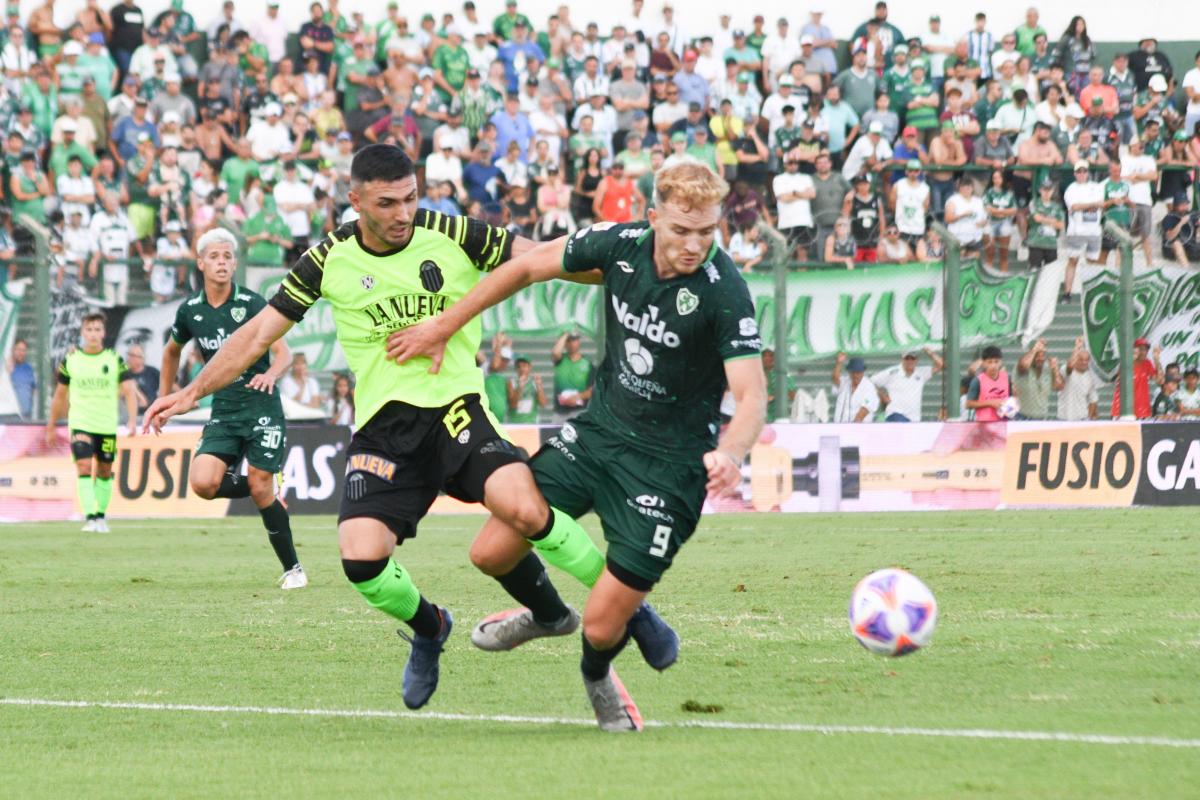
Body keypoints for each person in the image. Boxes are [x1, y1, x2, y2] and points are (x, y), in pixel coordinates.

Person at [144, 145, 673, 714]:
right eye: (387, 202)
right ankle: (430, 626)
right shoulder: (327, 259)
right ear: (355, 202)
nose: (403, 213)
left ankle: (630, 606)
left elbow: (542, 258)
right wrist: (190, 392)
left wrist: (646, 264)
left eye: (411, 198)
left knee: (522, 507)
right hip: (383, 427)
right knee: (360, 559)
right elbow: (254, 336)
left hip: (457, 407)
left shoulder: (453, 231)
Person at [383, 161, 766, 732]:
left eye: (707, 232)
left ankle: (597, 678)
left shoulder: (723, 291)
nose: (694, 245)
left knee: (603, 627)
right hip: (598, 434)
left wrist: (731, 453)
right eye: (682, 230)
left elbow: (752, 393)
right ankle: (546, 615)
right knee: (490, 552)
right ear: (654, 216)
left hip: (670, 469)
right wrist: (443, 324)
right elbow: (527, 265)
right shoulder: (619, 245)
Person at [45, 313, 138, 532]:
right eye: (89, 330)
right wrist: (51, 424)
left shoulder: (114, 359)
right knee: (84, 465)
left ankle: (100, 515)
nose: (93, 334)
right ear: (82, 333)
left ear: (103, 333)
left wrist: (133, 420)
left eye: (97, 330)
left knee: (104, 470)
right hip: (81, 423)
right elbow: (59, 395)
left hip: (106, 425)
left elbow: (129, 391)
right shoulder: (71, 360)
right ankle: (90, 517)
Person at [1062, 161, 1104, 302]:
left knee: (1092, 262)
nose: (1081, 174)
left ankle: (1090, 296)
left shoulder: (1096, 187)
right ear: (1075, 174)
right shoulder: (1071, 189)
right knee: (1073, 260)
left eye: (1084, 171)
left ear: (1088, 173)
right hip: (1076, 230)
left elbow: (1100, 204)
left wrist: (1087, 206)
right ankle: (1067, 293)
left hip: (1093, 230)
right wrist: (1092, 204)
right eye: (1079, 171)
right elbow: (1074, 206)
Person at [871, 348, 943, 422]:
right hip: (895, 414)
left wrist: (928, 351)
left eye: (913, 358)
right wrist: (883, 396)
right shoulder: (892, 372)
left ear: (917, 360)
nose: (910, 361)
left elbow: (940, 364)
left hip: (914, 418)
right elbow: (871, 381)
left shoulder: (921, 373)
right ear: (902, 359)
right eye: (907, 358)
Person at [1110, 337, 1161, 419]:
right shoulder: (1126, 363)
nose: (1144, 352)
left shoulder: (1147, 363)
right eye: (1141, 349)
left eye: (1146, 350)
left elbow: (1160, 381)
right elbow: (1116, 379)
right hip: (1123, 410)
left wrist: (1157, 361)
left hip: (1142, 410)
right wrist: (1131, 359)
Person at [1014, 339, 1062, 420]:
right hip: (1023, 417)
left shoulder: (1048, 369)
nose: (1040, 358)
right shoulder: (1022, 368)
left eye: (1042, 355)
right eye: (1037, 355)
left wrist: (1055, 370)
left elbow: (1058, 387)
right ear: (1031, 354)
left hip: (1042, 418)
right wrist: (1035, 349)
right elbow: (1024, 366)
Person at [1056, 337, 1101, 421]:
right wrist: (1077, 347)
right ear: (1076, 359)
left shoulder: (1090, 376)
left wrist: (1088, 418)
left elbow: (1093, 400)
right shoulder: (1066, 370)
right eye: (1081, 360)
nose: (1084, 362)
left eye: (1086, 360)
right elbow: (1069, 366)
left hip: (1081, 418)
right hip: (1063, 418)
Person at [964, 345, 1012, 422]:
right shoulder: (977, 380)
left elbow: (1011, 399)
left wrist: (1012, 407)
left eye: (996, 362)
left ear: (1001, 362)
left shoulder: (1006, 378)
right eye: (989, 362)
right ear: (983, 363)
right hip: (984, 423)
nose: (993, 365)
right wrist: (990, 403)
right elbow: (968, 404)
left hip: (1004, 421)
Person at [1026, 179, 1065, 269]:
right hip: (1036, 243)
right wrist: (1053, 221)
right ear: (1040, 190)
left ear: (1052, 191)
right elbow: (1037, 218)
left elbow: (1061, 225)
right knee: (1034, 271)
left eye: (1049, 190)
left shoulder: (1057, 206)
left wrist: (1044, 219)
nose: (1046, 192)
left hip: (1051, 244)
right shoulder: (1034, 203)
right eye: (1044, 189)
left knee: (1050, 273)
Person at [551, 330, 594, 412]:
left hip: (579, 411)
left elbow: (593, 389)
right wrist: (565, 333)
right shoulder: (560, 360)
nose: (571, 344)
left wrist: (578, 397)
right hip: (560, 412)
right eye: (568, 341)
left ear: (579, 341)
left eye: (574, 340)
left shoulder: (588, 364)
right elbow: (555, 352)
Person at [832, 354, 878, 423]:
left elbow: (863, 411)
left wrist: (853, 428)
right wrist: (839, 363)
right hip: (840, 425)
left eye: (858, 372)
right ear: (849, 372)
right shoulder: (846, 381)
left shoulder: (869, 387)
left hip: (859, 428)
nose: (855, 375)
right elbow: (835, 379)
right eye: (853, 372)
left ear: (863, 372)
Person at [124, 344, 160, 418]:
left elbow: (171, 385)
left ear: (142, 358)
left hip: (153, 415)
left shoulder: (152, 372)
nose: (129, 358)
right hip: (131, 416)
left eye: (132, 355)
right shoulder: (123, 375)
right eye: (128, 354)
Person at [508, 354, 545, 423]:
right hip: (515, 422)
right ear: (516, 369)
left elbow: (542, 403)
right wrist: (520, 387)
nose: (522, 369)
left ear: (530, 367)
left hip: (532, 422)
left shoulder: (535, 382)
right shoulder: (512, 383)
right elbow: (513, 405)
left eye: (524, 366)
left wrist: (539, 386)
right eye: (519, 367)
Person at [9, 338, 36, 419]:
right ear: (13, 350)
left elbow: (33, 389)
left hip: (26, 417)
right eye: (19, 350)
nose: (21, 353)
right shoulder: (6, 368)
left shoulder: (29, 368)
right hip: (9, 416)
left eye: (24, 350)